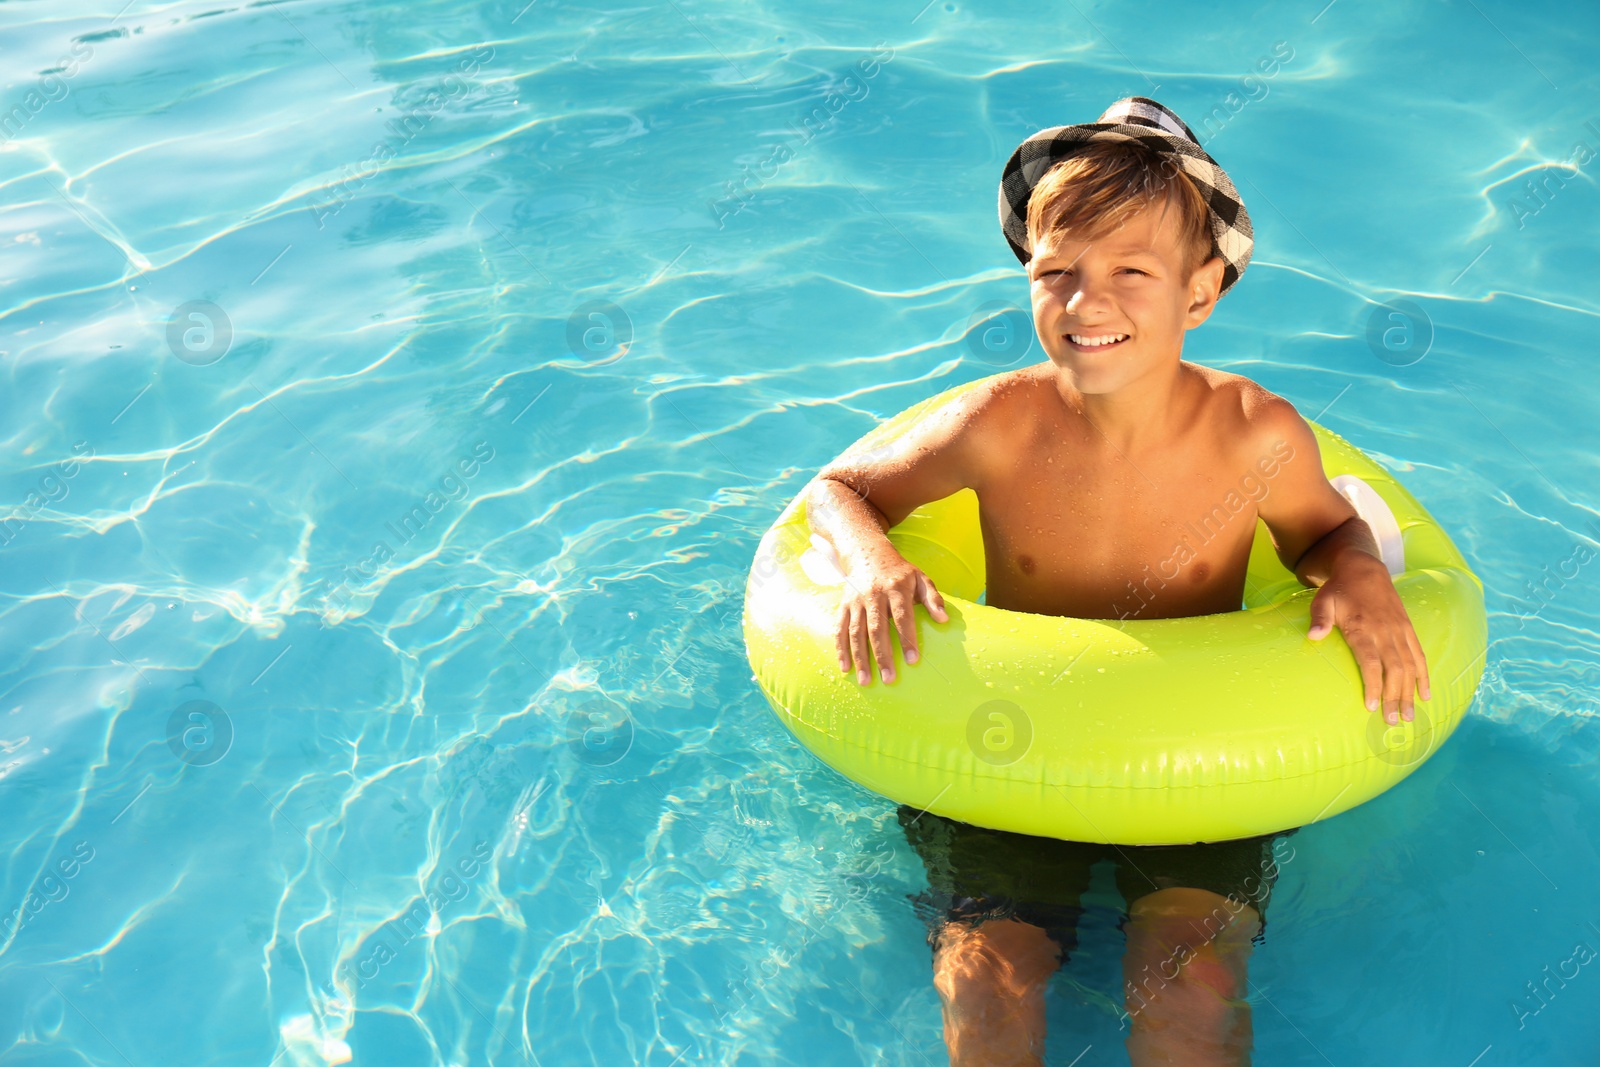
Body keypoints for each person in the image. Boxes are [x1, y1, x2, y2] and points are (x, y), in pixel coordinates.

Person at [803, 97, 1431, 1066]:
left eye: (1129, 273)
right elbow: (841, 486)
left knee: (1191, 991)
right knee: (988, 982)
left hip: (1192, 766)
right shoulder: (998, 424)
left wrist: (1355, 572)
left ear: (1201, 290)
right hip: (999, 753)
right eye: (1056, 273)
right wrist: (876, 562)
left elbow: (1330, 527)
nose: (1086, 304)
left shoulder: (1250, 434)